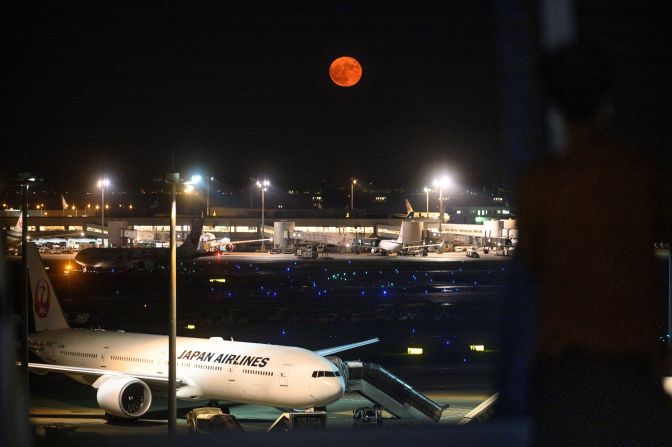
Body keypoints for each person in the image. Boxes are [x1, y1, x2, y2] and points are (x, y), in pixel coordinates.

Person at [517, 43, 672, 446]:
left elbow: (533, 265)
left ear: (553, 108)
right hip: (632, 374)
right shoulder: (643, 176)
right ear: (607, 103)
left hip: (567, 379)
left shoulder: (538, 185)